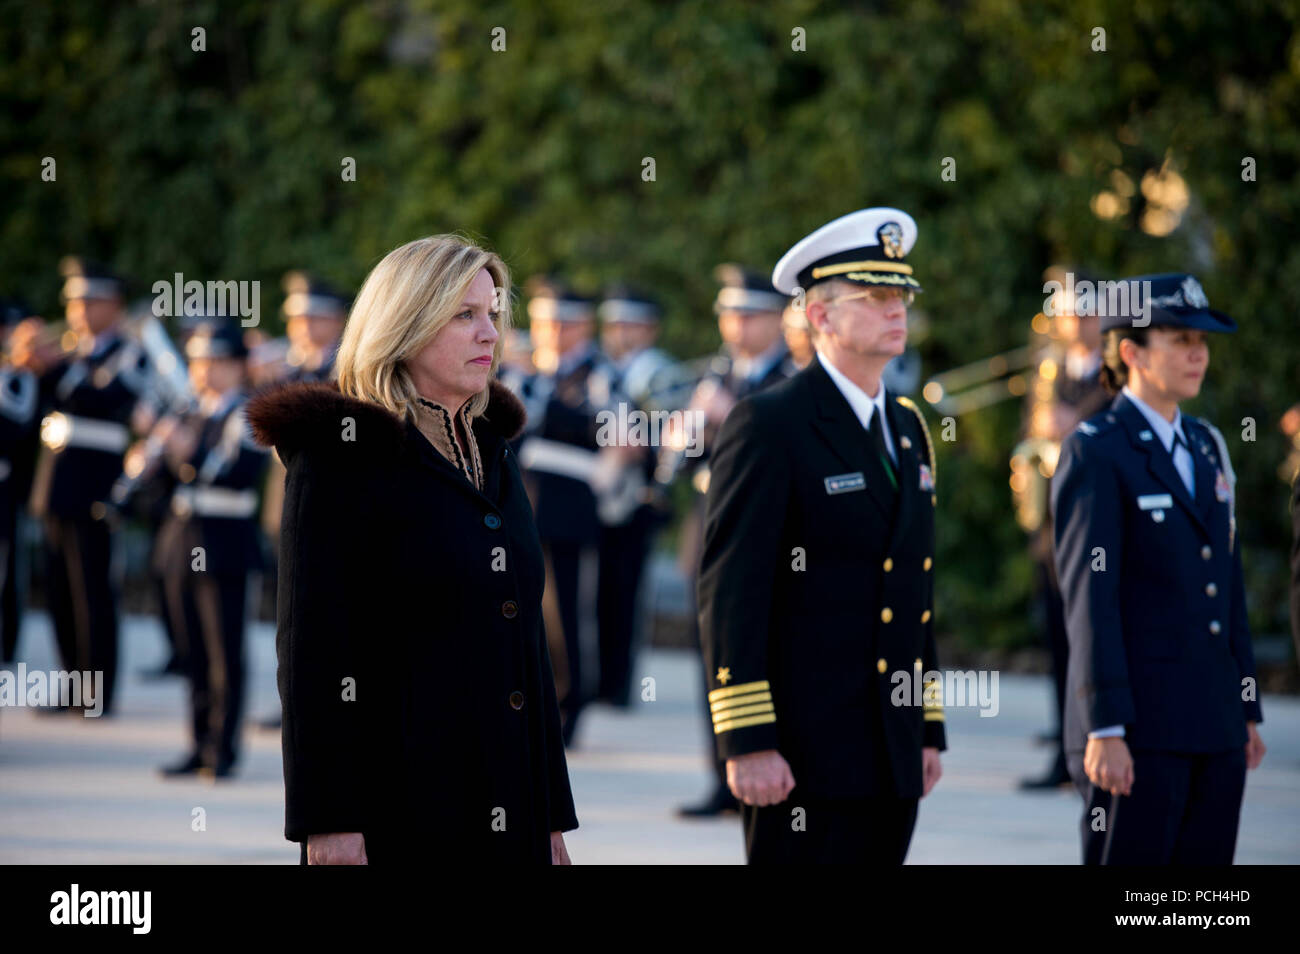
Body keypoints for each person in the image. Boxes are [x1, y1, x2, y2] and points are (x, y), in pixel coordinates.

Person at [247, 234, 577, 864]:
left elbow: (525, 650)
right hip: (397, 813)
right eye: (464, 315)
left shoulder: (492, 450)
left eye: (493, 314)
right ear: (406, 324)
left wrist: (552, 820)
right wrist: (329, 823)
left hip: (509, 814)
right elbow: (313, 657)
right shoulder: (339, 458)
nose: (490, 334)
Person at [698, 208, 946, 862]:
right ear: (820, 316)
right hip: (801, 749)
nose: (898, 311)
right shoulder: (770, 423)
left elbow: (913, 586)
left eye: (903, 297)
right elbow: (732, 589)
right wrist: (747, 738)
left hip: (889, 748)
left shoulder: (908, 427)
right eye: (877, 297)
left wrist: (926, 725)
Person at [1051, 272, 1267, 864]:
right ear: (1132, 352)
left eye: (1202, 342)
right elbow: (1090, 600)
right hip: (1138, 728)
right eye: (1180, 340)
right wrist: (1104, 727)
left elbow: (1228, 586)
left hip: (1213, 722)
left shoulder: (1205, 444)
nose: (1197, 354)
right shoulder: (1097, 448)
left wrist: (1245, 706)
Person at [677, 265, 797, 818]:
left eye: (747, 314)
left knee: (770, 657)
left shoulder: (792, 379)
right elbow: (684, 468)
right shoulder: (718, 375)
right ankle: (722, 775)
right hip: (710, 529)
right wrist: (685, 436)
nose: (735, 326)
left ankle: (774, 771)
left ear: (777, 318)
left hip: (773, 538)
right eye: (728, 314)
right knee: (716, 658)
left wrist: (729, 420)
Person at [13, 258, 152, 716]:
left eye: (89, 300)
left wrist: (54, 367)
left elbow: (105, 399)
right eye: (73, 301)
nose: (78, 310)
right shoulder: (69, 351)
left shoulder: (130, 351)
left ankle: (95, 692)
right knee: (58, 591)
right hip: (54, 483)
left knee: (91, 590)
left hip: (95, 484)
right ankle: (72, 682)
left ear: (113, 303)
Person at [157, 321, 269, 779]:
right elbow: (170, 482)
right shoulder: (190, 410)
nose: (206, 371)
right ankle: (198, 741)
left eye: (218, 362)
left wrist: (182, 450)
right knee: (193, 650)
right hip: (182, 538)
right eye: (200, 362)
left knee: (224, 650)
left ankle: (222, 748)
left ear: (239, 367)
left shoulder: (247, 414)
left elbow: (232, 474)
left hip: (225, 540)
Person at [513, 277, 619, 746]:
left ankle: (566, 706)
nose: (552, 331)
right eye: (543, 322)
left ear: (585, 326)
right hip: (519, 506)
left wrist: (547, 408)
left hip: (567, 510)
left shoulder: (600, 372)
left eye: (563, 322)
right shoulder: (523, 372)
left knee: (564, 617)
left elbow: (608, 426)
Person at [1017, 268, 1109, 790]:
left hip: (1098, 530)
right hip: (1052, 532)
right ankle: (1065, 750)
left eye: (1085, 311)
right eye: (1068, 311)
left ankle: (1099, 744)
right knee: (1058, 643)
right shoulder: (1049, 370)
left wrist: (1077, 424)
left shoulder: (1117, 372)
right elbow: (1030, 433)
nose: (1074, 321)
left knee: (1094, 641)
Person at [594, 285, 675, 706]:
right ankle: (598, 680)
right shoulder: (600, 368)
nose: (619, 332)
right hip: (598, 493)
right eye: (613, 323)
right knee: (596, 591)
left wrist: (641, 442)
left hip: (638, 494)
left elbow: (674, 435)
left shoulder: (659, 372)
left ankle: (620, 685)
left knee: (628, 591)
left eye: (629, 323)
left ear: (649, 328)